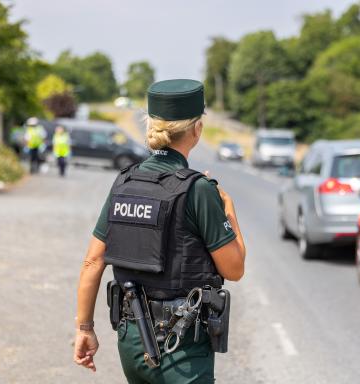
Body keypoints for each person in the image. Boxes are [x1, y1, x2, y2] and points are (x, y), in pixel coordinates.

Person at [74, 79, 246, 384]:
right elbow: (234, 269)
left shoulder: (125, 182)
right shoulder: (199, 190)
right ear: (196, 130)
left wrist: (84, 329)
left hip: (131, 339)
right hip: (182, 345)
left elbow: (92, 262)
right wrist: (228, 208)